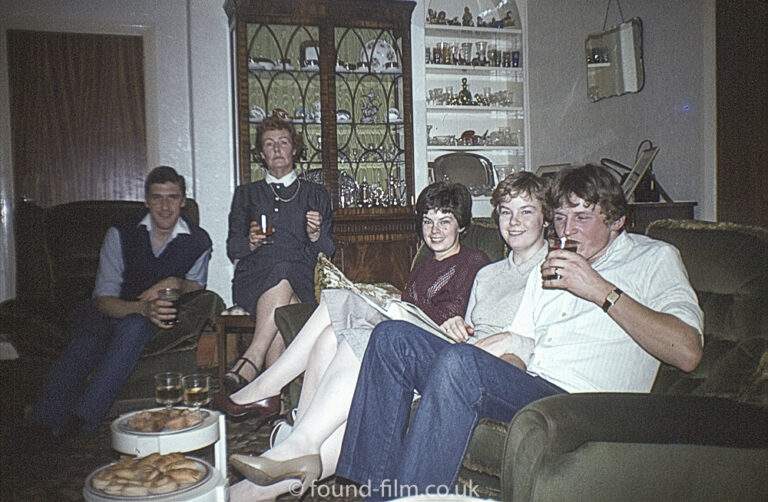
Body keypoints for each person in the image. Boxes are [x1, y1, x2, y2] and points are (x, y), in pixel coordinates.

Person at [336, 164, 705, 501]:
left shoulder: (654, 259)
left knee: (462, 362)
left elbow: (687, 353)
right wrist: (487, 371)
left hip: (591, 405)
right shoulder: (550, 266)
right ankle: (377, 493)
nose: (568, 230)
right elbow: (521, 343)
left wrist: (598, 289)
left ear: (617, 221)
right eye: (560, 218)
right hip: (535, 388)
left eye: (583, 217)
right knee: (393, 338)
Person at [225, 172, 552, 501]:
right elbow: (465, 325)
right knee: (334, 339)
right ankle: (252, 486)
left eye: (526, 211)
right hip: (443, 353)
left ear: (545, 218)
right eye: (507, 212)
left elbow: (530, 343)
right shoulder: (489, 273)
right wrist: (457, 327)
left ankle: (275, 406)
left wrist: (471, 339)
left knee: (365, 322)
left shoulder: (545, 271)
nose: (514, 221)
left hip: (472, 368)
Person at [24, 166, 214, 439]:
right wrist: (141, 307)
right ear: (146, 201)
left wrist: (177, 282)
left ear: (183, 201)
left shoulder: (198, 241)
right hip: (104, 308)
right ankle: (41, 424)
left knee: (133, 328)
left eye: (172, 197)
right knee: (89, 340)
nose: (164, 206)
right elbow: (103, 298)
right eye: (157, 197)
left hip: (145, 318)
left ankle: (82, 422)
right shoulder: (121, 233)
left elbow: (197, 284)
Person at [224, 116, 334, 393]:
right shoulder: (246, 194)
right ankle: (274, 400)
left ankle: (253, 359)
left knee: (285, 272)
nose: (276, 149)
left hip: (302, 277)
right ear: (261, 154)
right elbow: (233, 249)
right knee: (281, 294)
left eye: (283, 143)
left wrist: (314, 236)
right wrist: (250, 243)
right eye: (269, 144)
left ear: (294, 149)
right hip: (254, 278)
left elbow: (327, 251)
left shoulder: (316, 194)